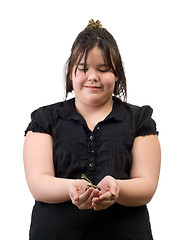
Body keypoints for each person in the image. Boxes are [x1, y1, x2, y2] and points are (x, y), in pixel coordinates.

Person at [23, 19, 161, 240]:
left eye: (103, 69)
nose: (93, 76)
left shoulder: (139, 119)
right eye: (83, 68)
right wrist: (71, 187)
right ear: (71, 73)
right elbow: (38, 183)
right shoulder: (45, 119)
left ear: (117, 75)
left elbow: (147, 185)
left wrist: (117, 189)